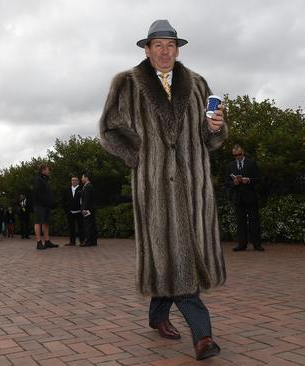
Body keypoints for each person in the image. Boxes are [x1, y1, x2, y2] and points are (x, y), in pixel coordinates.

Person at [99, 19, 226, 361]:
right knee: (174, 256)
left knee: (172, 254)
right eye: (158, 45)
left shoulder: (198, 84)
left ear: (178, 49)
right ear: (146, 48)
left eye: (170, 45)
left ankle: (157, 314)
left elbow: (210, 139)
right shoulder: (126, 83)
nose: (165, 51)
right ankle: (203, 338)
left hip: (193, 189)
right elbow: (109, 128)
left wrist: (216, 127)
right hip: (154, 187)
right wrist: (139, 154)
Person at [226, 145, 264, 251]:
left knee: (254, 220)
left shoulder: (252, 163)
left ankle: (257, 244)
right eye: (235, 155)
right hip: (238, 197)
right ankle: (241, 244)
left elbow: (258, 179)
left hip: (251, 196)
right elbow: (226, 182)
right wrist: (234, 182)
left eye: (239, 154)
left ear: (243, 153)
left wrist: (249, 180)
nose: (238, 157)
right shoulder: (230, 166)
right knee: (240, 221)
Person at [33, 164, 58, 250]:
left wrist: (50, 202)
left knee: (46, 222)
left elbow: (47, 193)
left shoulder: (45, 179)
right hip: (40, 205)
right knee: (38, 222)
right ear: (43, 170)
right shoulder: (38, 179)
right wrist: (45, 201)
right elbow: (38, 193)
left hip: (46, 205)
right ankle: (39, 242)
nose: (49, 171)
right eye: (48, 169)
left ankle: (47, 241)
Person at [63, 176, 85, 246]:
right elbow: (64, 200)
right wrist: (67, 210)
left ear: (78, 181)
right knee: (71, 227)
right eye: (72, 180)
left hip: (79, 212)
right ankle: (72, 242)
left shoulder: (81, 189)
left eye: (75, 180)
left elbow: (83, 200)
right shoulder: (68, 189)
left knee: (80, 227)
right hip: (70, 212)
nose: (73, 181)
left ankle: (82, 241)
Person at [80, 172, 98, 247]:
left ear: (86, 178)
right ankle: (93, 241)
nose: (81, 179)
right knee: (92, 224)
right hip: (91, 208)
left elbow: (86, 199)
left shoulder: (87, 187)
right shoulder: (89, 186)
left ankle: (88, 241)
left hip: (87, 209)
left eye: (82, 177)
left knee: (88, 224)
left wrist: (84, 208)